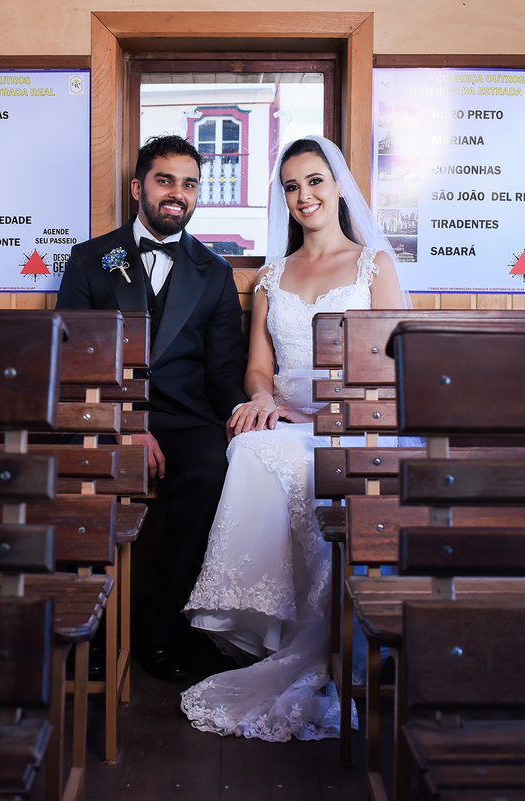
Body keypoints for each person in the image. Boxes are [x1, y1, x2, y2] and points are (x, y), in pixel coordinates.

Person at [180, 135, 409, 741]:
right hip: (285, 418)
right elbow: (258, 365)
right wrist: (260, 397)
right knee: (253, 448)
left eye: (313, 181)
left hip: (354, 422)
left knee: (322, 466)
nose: (303, 196)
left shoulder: (373, 266)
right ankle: (271, 626)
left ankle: (335, 636)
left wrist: (334, 416)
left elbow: (388, 366)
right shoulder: (271, 275)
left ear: (337, 186)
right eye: (290, 186)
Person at [56, 135, 249, 681]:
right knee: (87, 469)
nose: (178, 194)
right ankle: (87, 630)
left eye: (190, 184)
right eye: (166, 180)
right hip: (106, 411)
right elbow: (72, 362)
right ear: (139, 187)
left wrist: (248, 413)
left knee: (215, 470)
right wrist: (126, 427)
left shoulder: (213, 272)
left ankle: (158, 630)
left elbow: (223, 372)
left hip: (186, 418)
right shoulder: (92, 259)